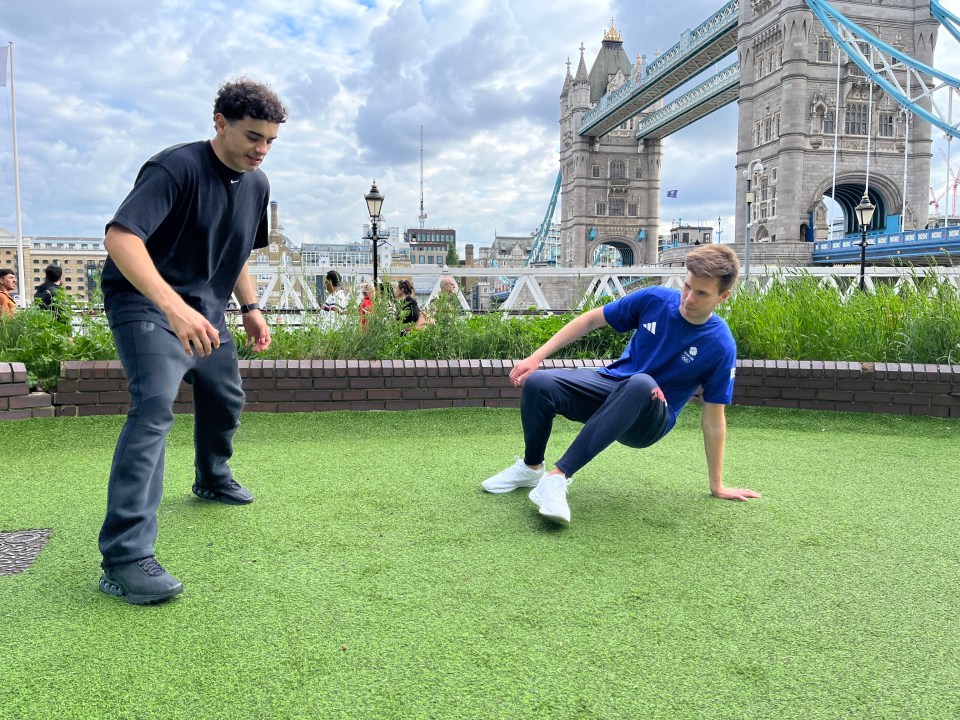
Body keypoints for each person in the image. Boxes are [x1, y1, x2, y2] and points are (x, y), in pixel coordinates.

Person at [96, 78, 287, 605]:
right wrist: (173, 306)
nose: (261, 149)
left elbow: (239, 250)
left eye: (270, 140)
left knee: (225, 397)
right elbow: (120, 238)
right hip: (147, 306)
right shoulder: (174, 167)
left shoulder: (258, 183)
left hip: (206, 312)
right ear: (219, 122)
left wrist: (250, 308)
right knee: (155, 407)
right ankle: (125, 557)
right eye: (252, 136)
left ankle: (212, 475)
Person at [481, 244, 761, 525]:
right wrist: (536, 357)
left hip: (650, 420)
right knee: (539, 382)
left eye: (701, 293)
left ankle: (557, 478)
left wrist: (718, 485)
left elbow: (714, 419)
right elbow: (591, 319)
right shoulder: (655, 299)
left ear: (722, 296)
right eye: (687, 287)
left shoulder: (720, 345)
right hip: (613, 386)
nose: (688, 298)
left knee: (640, 383)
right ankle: (532, 468)